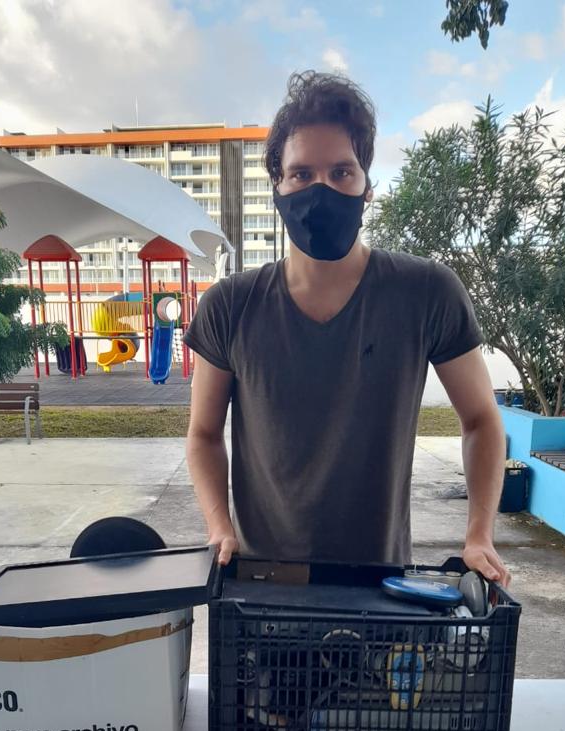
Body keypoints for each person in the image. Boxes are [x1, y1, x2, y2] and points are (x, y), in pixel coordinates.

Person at [184, 70, 510, 588]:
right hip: (263, 583)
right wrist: (219, 527)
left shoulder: (426, 292)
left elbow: (481, 420)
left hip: (381, 584)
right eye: (301, 174)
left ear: (367, 188)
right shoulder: (230, 305)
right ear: (277, 188)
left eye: (341, 172)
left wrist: (479, 536)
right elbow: (203, 435)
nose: (322, 190)